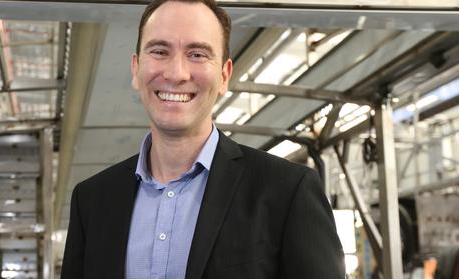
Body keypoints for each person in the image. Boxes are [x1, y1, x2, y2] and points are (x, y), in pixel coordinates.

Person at [61, 0, 345, 278]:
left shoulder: (287, 192)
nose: (176, 73)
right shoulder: (91, 201)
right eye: (160, 51)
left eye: (197, 54)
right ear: (136, 69)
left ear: (224, 75)